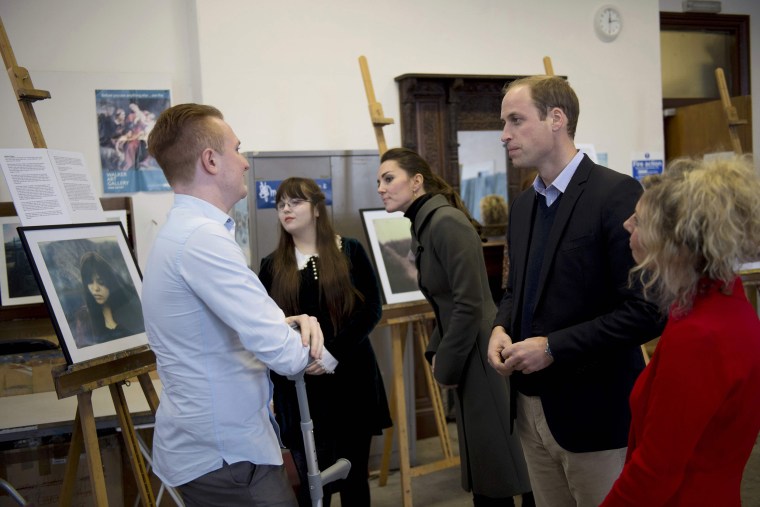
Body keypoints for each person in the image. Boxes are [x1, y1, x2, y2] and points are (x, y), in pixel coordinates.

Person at [486, 75, 664, 507]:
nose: (504, 134)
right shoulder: (525, 204)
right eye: (503, 123)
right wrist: (499, 327)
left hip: (594, 413)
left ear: (556, 119)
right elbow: (514, 291)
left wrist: (553, 347)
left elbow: (646, 310)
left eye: (515, 120)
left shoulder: (615, 192)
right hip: (529, 409)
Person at [142, 103, 329, 507]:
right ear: (210, 160)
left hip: (218, 449)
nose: (244, 162)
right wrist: (298, 335)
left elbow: (238, 326)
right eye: (237, 149)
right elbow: (285, 354)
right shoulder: (201, 240)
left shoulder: (186, 234)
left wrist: (287, 325)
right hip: (227, 457)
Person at [377, 147, 533, 507]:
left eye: (389, 179)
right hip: (468, 354)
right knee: (490, 473)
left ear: (416, 182)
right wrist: (438, 351)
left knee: (502, 475)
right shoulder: (427, 223)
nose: (382, 188)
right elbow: (446, 304)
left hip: (481, 357)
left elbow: (470, 304)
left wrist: (445, 364)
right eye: (379, 182)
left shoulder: (444, 222)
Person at [600, 156, 760, 506]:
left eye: (639, 220)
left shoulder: (700, 333)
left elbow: (656, 470)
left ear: (675, 241)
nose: (627, 226)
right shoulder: (724, 298)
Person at [259, 177, 392, 507]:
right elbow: (265, 328)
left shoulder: (349, 250)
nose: (286, 209)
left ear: (317, 209)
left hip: (351, 381)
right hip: (300, 388)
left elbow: (371, 310)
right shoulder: (271, 266)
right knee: (310, 486)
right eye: (280, 205)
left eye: (295, 202)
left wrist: (333, 354)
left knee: (353, 479)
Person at [73, 251, 144, 347]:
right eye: (90, 282)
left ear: (110, 281)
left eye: (100, 281)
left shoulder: (130, 309)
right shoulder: (84, 317)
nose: (95, 288)